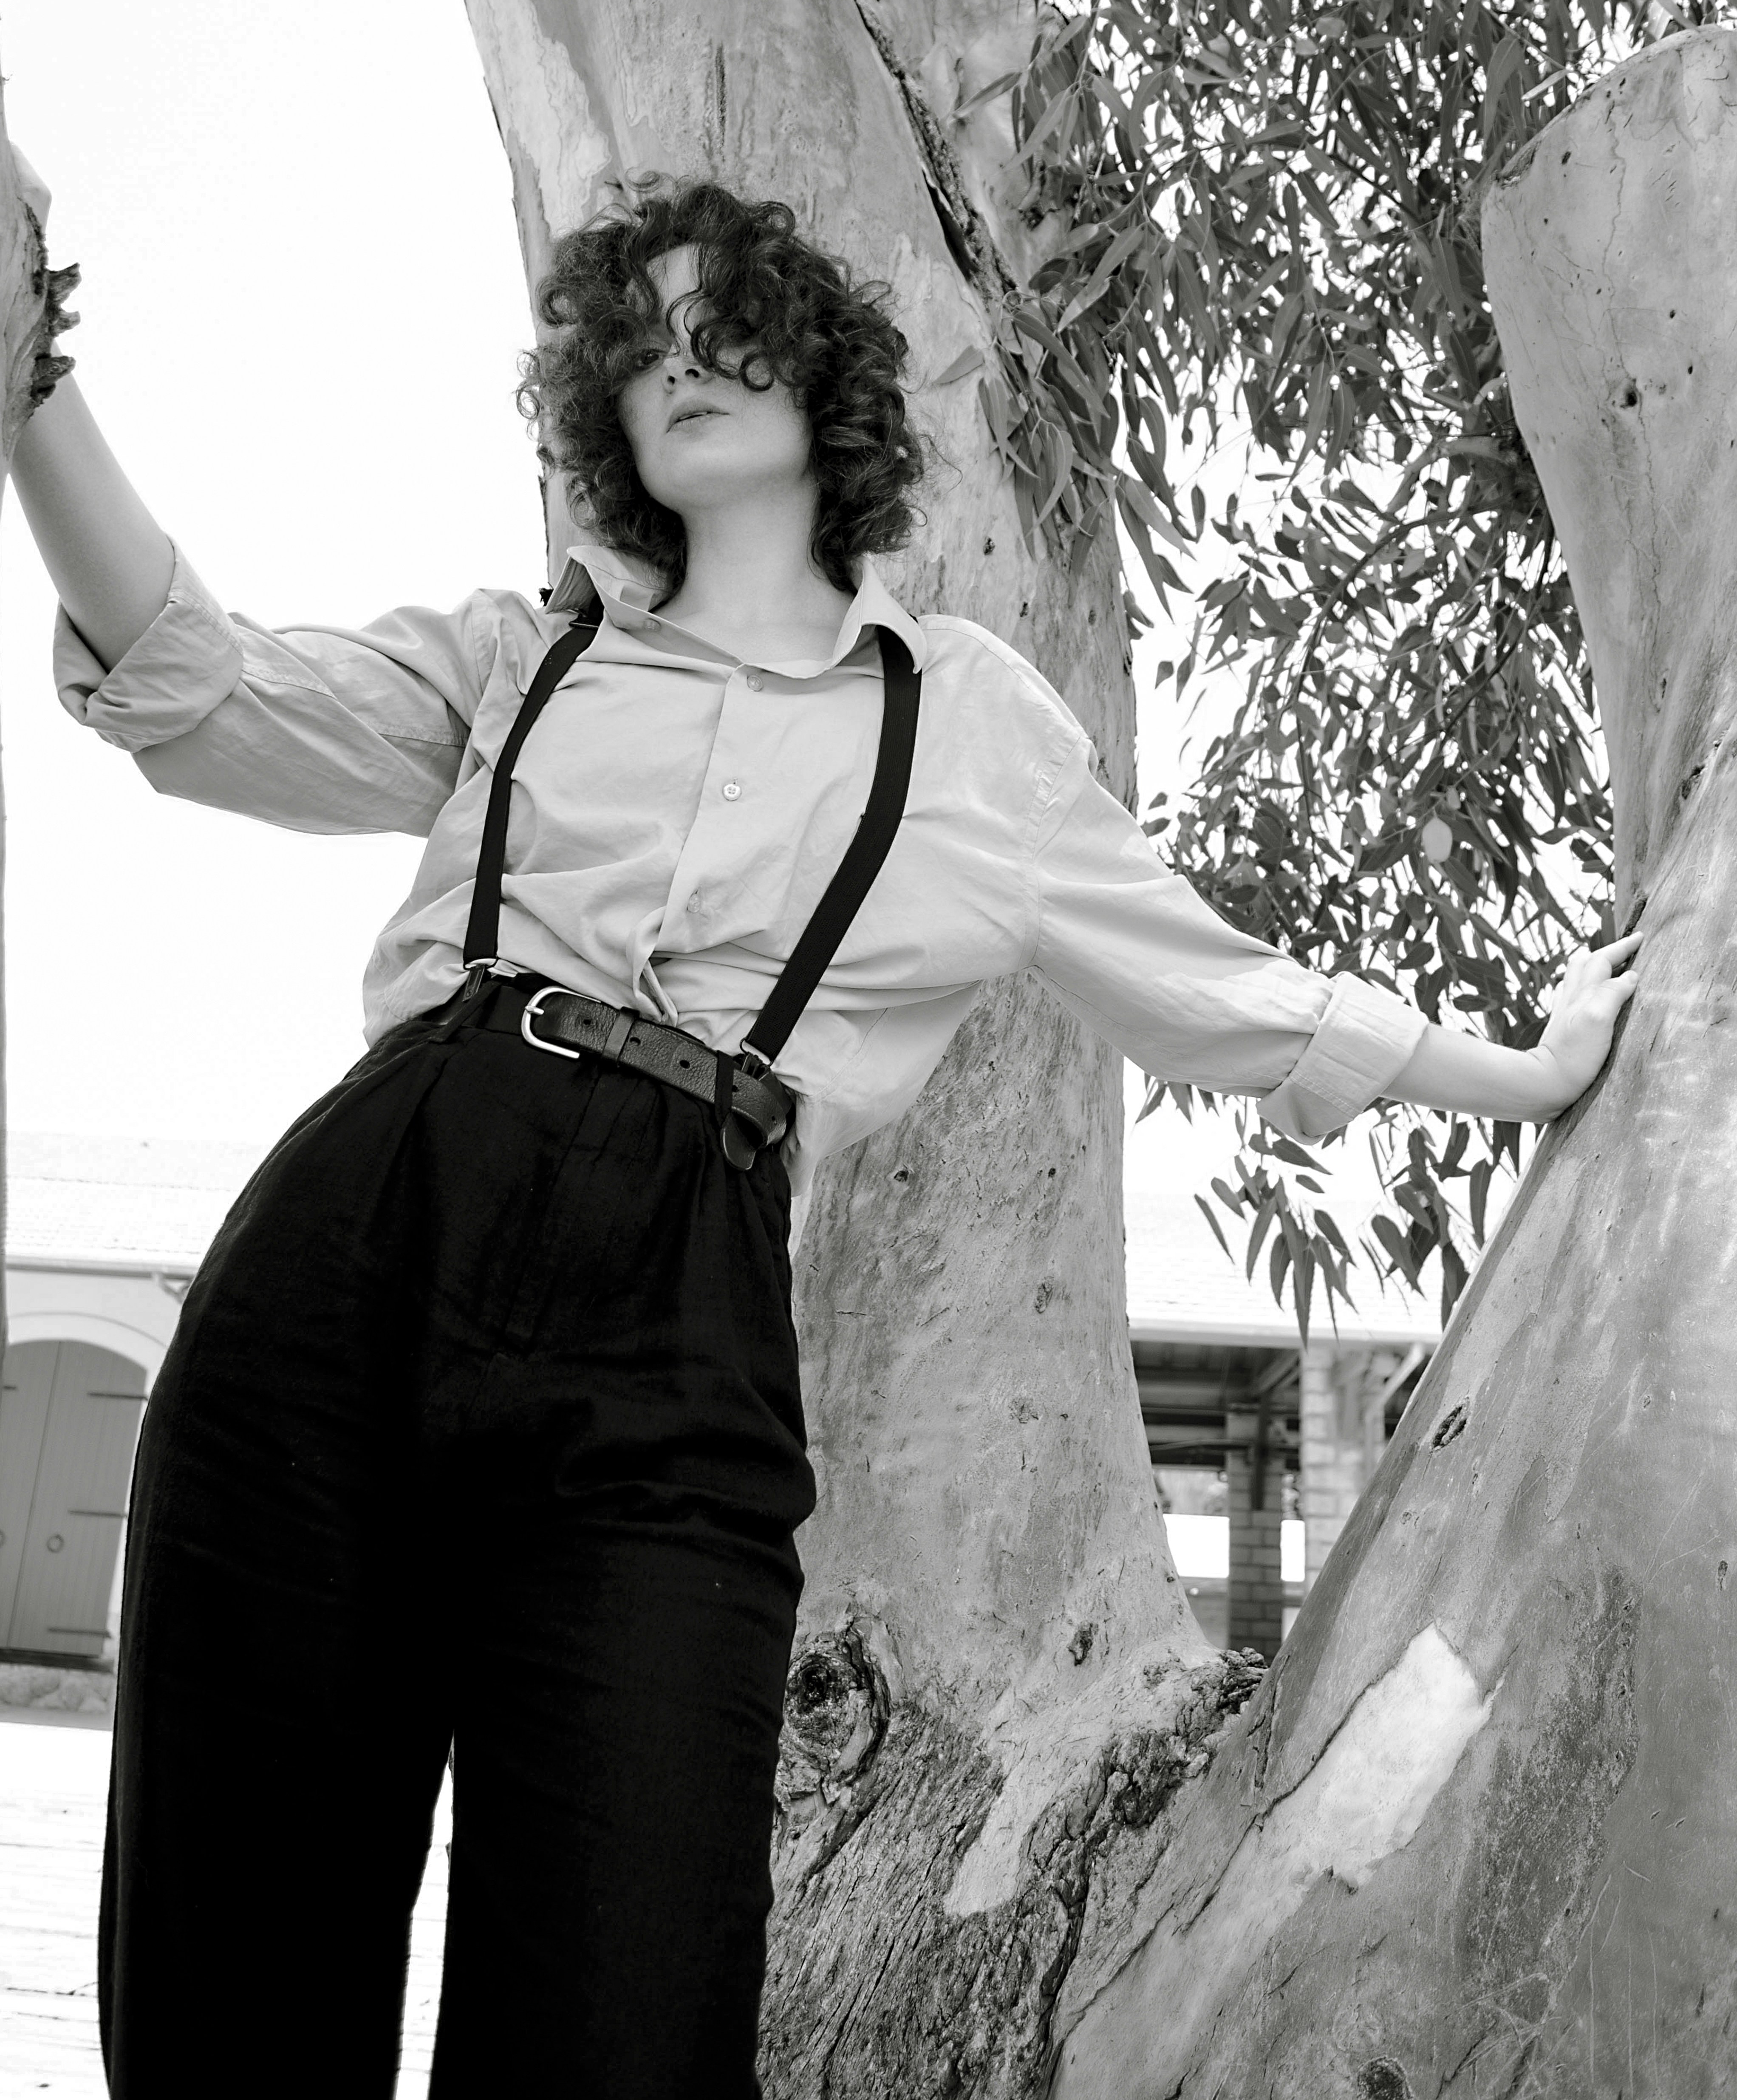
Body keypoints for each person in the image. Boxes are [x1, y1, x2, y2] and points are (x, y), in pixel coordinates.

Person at [8, 173, 1638, 2097]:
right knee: (234, 1964)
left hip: (673, 1329)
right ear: (598, 414)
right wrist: (32, 374)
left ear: (824, 386)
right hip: (356, 1246)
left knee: (625, 2002)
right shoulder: (522, 658)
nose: (681, 366)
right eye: (641, 346)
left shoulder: (962, 726)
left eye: (729, 332)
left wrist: (1522, 1072)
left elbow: (1223, 991)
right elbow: (200, 685)